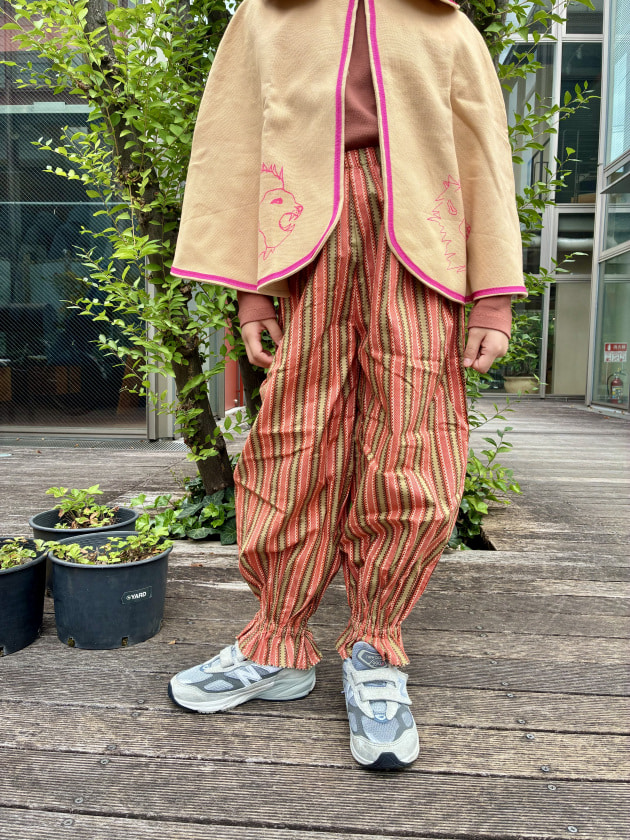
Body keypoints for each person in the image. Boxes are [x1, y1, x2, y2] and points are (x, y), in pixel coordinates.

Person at [168, 0, 526, 770]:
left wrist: (493, 296)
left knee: (413, 445)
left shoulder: (444, 23)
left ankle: (374, 648)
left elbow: (482, 153)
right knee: (290, 443)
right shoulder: (265, 16)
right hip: (305, 245)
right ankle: (276, 643)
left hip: (421, 248)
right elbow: (236, 143)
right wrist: (251, 292)